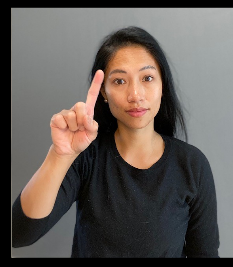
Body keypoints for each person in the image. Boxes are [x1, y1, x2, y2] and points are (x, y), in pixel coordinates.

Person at [12, 26, 220, 258]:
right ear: (103, 91)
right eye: (120, 81)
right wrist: (60, 155)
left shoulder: (192, 165)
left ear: (163, 85)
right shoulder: (87, 157)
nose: (135, 94)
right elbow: (20, 233)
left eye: (148, 78)